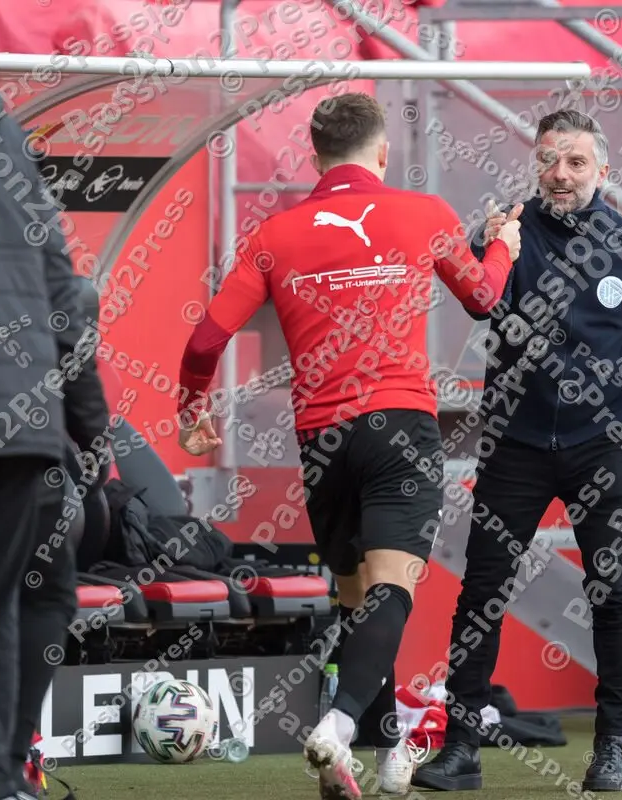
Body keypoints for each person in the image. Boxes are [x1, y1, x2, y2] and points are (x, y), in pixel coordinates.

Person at [174, 92, 520, 800]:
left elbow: (206, 338)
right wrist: (505, 250)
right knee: (391, 594)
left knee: (358, 602)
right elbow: (486, 298)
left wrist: (191, 411)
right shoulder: (423, 214)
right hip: (399, 426)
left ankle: (378, 754)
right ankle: (336, 726)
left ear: (316, 156)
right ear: (383, 153)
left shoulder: (277, 235)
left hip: (323, 441)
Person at [411, 109, 622, 794]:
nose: (560, 174)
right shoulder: (508, 234)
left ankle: (611, 750)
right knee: (482, 592)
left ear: (603, 170)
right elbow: (481, 302)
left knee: (613, 596)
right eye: (548, 160)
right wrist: (489, 246)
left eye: (574, 162)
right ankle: (461, 749)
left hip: (598, 447)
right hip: (513, 441)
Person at [0, 33, 110, 800]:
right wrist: (89, 436)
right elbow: (68, 300)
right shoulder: (6, 137)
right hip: (27, 429)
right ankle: (6, 778)